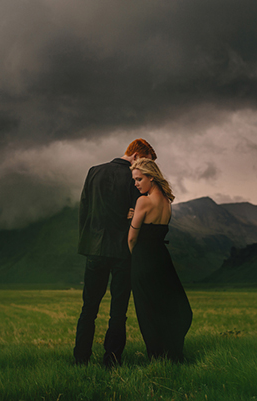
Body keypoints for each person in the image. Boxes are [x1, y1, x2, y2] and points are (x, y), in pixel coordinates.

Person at [74, 139, 157, 368]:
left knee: (88, 308)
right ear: (137, 154)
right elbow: (139, 212)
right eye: (146, 161)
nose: (145, 168)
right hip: (123, 252)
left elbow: (84, 208)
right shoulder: (134, 178)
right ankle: (111, 361)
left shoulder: (93, 171)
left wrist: (87, 244)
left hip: (95, 250)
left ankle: (80, 359)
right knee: (118, 312)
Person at [128, 158, 192, 362]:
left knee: (148, 310)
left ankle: (157, 357)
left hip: (144, 260)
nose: (136, 184)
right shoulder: (167, 202)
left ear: (151, 177)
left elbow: (132, 238)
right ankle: (172, 353)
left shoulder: (143, 201)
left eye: (139, 179)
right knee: (167, 306)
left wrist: (134, 256)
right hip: (162, 260)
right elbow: (153, 227)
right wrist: (135, 216)